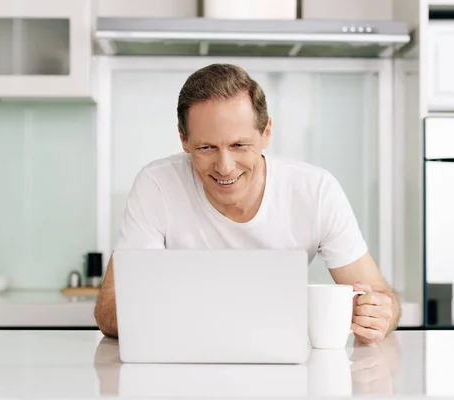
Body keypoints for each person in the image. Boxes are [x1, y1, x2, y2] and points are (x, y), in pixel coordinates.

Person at [94, 63, 401, 343]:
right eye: (206, 147)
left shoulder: (316, 191)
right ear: (183, 140)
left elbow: (381, 295)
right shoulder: (157, 185)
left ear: (266, 132)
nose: (225, 166)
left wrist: (379, 315)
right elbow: (109, 311)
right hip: (184, 368)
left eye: (239, 145)